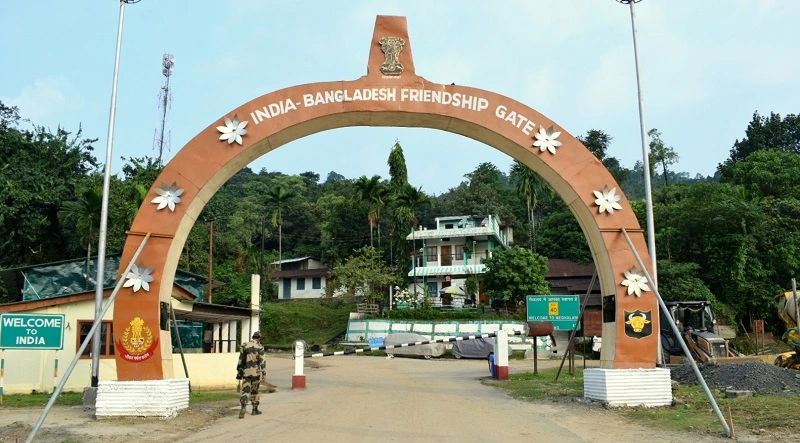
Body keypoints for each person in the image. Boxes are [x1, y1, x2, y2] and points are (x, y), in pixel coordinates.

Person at [236, 331, 267, 418]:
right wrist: (264, 373)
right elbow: (262, 361)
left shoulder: (244, 345)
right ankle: (255, 409)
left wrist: (239, 370)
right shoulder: (260, 347)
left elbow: (240, 359)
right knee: (254, 391)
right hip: (255, 373)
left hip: (246, 372)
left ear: (253, 337)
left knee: (245, 391)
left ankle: (243, 407)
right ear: (259, 339)